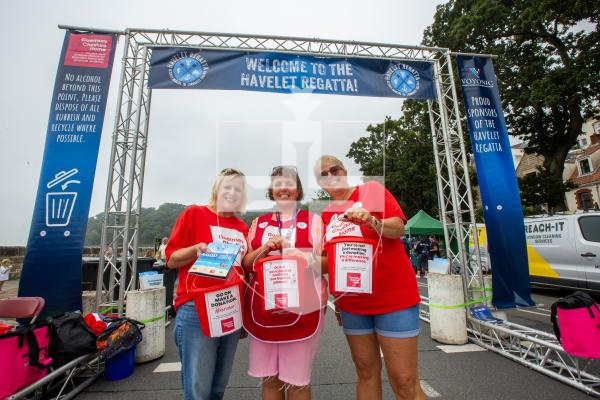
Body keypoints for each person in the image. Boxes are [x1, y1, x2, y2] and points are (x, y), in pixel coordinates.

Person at [315, 155, 425, 400]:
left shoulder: (371, 190)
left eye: (335, 170)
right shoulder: (325, 215)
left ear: (344, 170)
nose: (331, 176)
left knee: (404, 381)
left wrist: (373, 221)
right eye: (324, 174)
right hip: (354, 304)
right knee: (366, 373)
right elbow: (328, 259)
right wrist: (293, 259)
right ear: (320, 184)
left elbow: (398, 228)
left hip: (393, 298)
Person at [242, 166, 327, 400]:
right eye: (277, 184)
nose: (283, 189)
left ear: (298, 189)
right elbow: (247, 264)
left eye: (289, 184)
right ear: (271, 190)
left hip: (305, 308)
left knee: (298, 381)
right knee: (270, 380)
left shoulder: (314, 221)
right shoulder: (258, 223)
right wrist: (265, 247)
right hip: (264, 308)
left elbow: (329, 264)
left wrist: (306, 257)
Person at [165, 168, 249, 400]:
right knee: (198, 389)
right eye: (227, 187)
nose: (232, 192)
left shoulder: (242, 227)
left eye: (238, 189)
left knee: (217, 388)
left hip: (229, 309)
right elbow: (171, 259)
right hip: (196, 308)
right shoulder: (194, 214)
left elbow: (242, 271)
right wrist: (195, 249)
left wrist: (243, 317)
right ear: (217, 189)